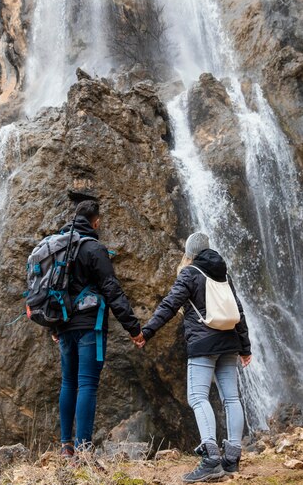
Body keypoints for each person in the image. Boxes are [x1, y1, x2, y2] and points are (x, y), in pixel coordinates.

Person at [136, 232, 252, 483]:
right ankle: (232, 458)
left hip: (203, 344)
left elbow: (169, 305)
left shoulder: (189, 273)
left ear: (189, 253)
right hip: (230, 342)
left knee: (198, 397)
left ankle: (211, 458)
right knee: (231, 398)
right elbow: (238, 311)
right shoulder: (224, 274)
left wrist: (147, 332)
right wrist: (245, 347)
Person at [52, 199, 143, 456]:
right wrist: (133, 328)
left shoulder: (58, 247)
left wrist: (53, 328)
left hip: (63, 326)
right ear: (97, 221)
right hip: (89, 326)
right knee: (88, 384)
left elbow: (51, 289)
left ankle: (66, 446)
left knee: (68, 382)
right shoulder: (94, 248)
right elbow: (112, 290)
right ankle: (84, 449)